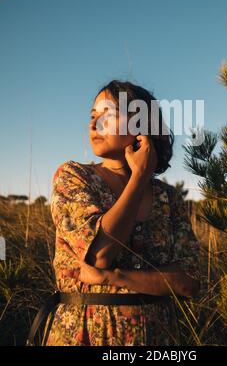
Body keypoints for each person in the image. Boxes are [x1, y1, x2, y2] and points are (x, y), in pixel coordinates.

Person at [43, 80, 202, 346]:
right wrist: (139, 177)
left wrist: (113, 278)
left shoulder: (167, 197)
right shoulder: (74, 177)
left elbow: (189, 281)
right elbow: (100, 254)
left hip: (160, 339)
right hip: (86, 334)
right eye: (93, 115)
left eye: (109, 114)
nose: (94, 124)